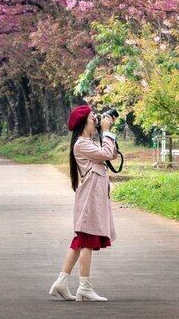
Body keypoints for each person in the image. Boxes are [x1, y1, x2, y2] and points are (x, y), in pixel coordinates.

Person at [49, 104, 119, 302]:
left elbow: (111, 154)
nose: (95, 120)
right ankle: (84, 287)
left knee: (81, 241)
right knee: (87, 239)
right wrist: (106, 132)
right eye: (92, 118)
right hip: (90, 197)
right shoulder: (82, 144)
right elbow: (106, 154)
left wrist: (107, 134)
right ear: (83, 123)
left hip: (93, 196)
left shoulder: (89, 143)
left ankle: (62, 281)